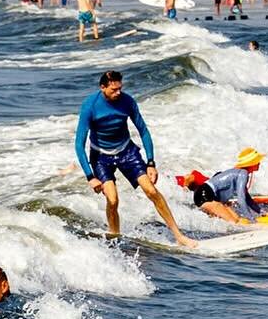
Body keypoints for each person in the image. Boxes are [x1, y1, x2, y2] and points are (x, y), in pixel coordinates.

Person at [74, 68, 196, 247]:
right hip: (101, 156)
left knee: (151, 191)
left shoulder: (127, 101)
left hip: (127, 151)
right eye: (113, 90)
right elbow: (79, 144)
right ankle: (114, 238)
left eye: (120, 88)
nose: (118, 93)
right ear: (102, 87)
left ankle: (179, 236)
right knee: (113, 199)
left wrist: (151, 162)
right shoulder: (89, 106)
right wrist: (90, 176)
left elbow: (143, 131)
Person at [181, 148, 268, 225]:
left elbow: (247, 198)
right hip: (205, 194)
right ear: (251, 163)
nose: (259, 163)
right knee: (234, 223)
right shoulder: (243, 174)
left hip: (205, 193)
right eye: (257, 161)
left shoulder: (240, 173)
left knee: (237, 219)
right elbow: (241, 199)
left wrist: (261, 212)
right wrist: (252, 220)